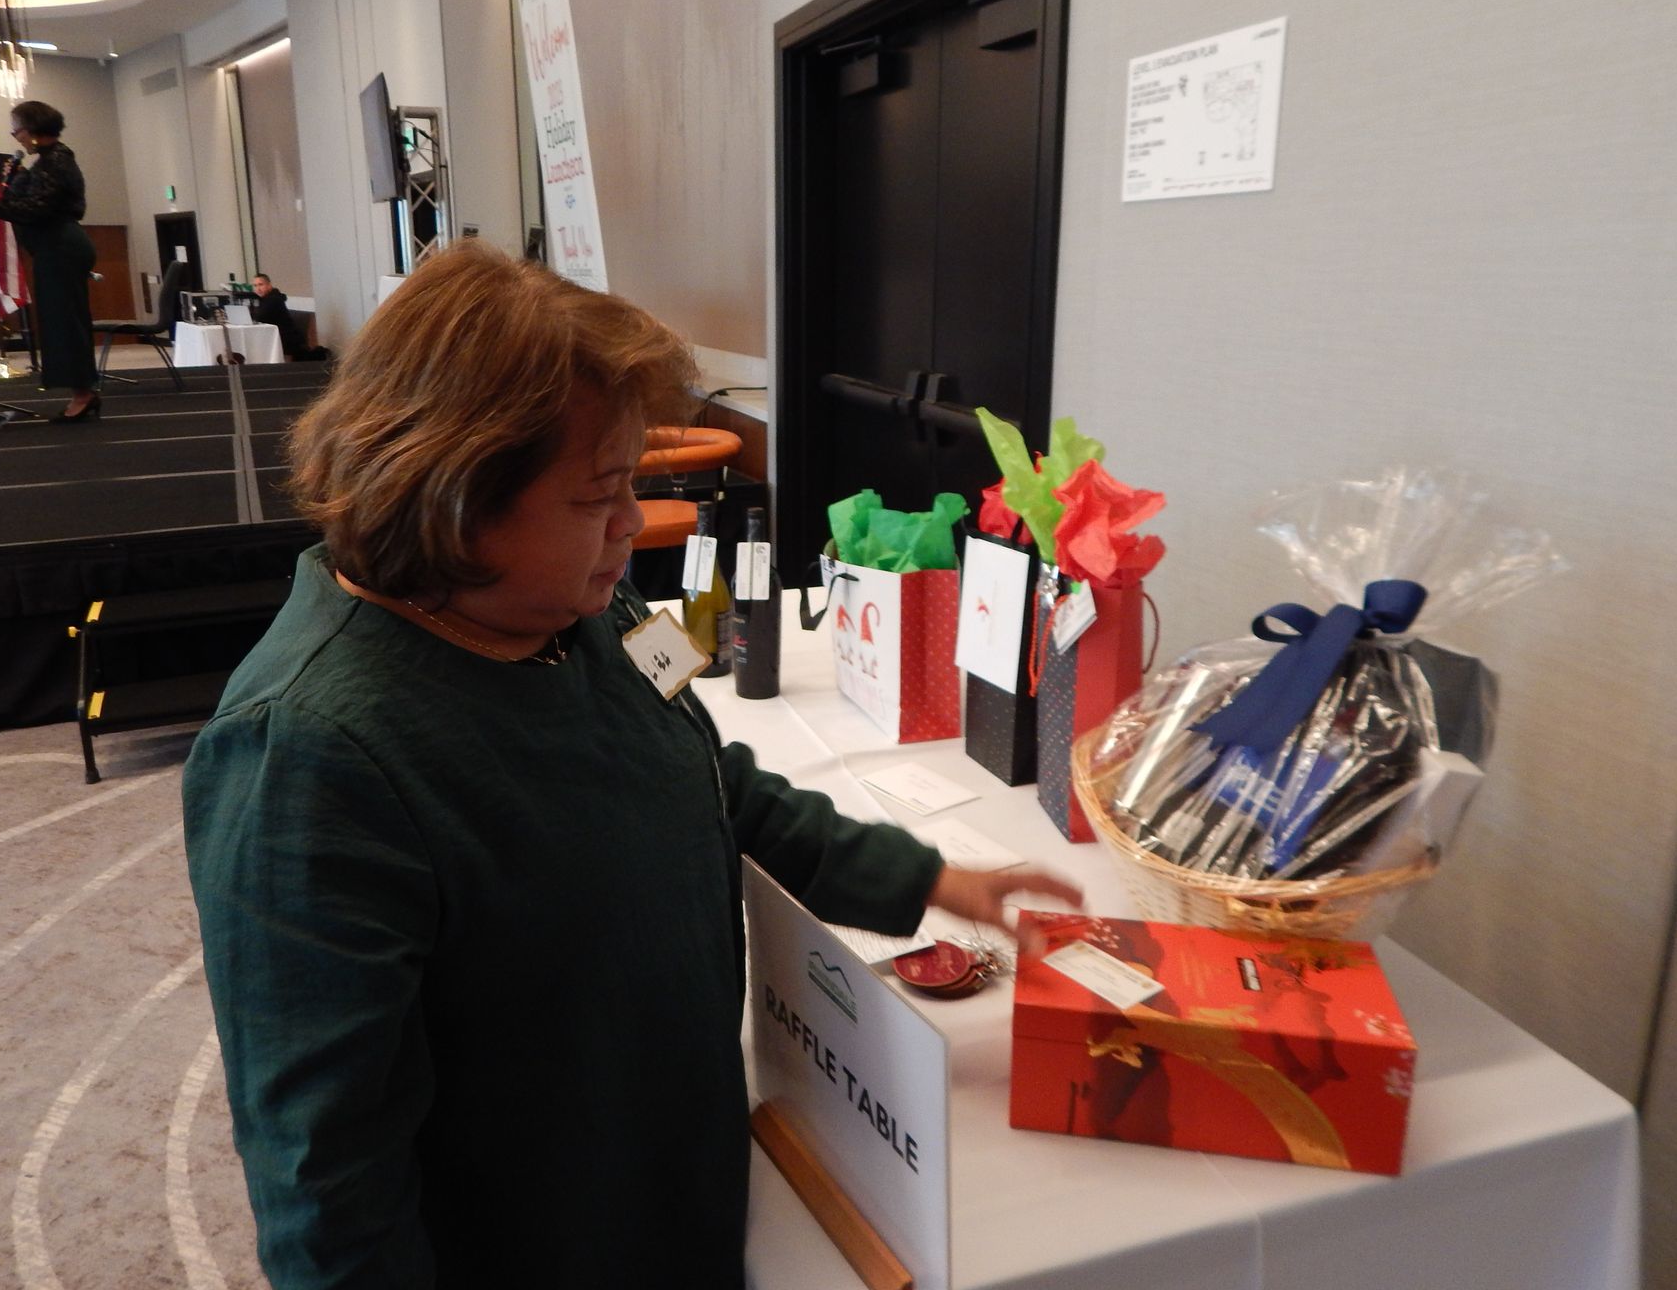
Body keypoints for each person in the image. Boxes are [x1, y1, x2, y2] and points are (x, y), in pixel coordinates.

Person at [181, 239, 1079, 1289]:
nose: (631, 527)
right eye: (594, 498)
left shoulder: (599, 609)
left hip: (670, 1178)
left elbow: (707, 777)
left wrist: (931, 880)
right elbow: (324, 1171)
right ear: (450, 493)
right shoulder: (309, 755)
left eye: (632, 487)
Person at [0, 101, 98, 422]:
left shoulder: (56, 162)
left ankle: (84, 394)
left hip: (61, 246)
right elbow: (19, 201)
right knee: (59, 321)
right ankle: (82, 392)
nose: (15, 135)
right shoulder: (45, 162)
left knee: (66, 322)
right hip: (54, 247)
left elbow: (34, 209)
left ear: (33, 130)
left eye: (17, 129)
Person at [248, 273, 328, 362]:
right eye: (255, 286)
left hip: (285, 339)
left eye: (260, 285)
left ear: (269, 285)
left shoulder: (274, 299)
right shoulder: (267, 299)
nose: (258, 288)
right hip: (279, 336)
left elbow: (260, 317)